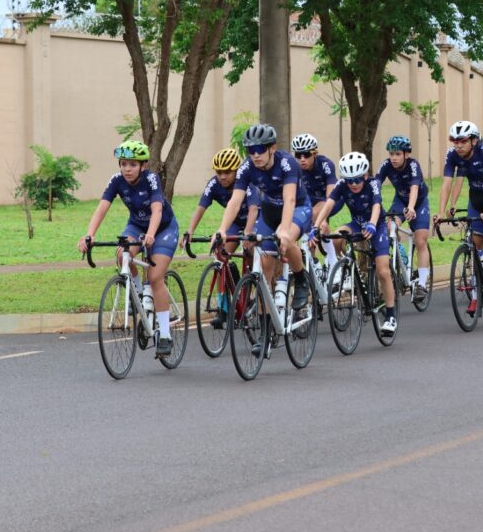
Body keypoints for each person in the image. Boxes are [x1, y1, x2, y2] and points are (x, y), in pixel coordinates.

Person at [77, 140, 179, 357]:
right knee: (121, 254)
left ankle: (165, 335)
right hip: (136, 225)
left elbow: (157, 210)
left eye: (132, 164)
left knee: (155, 275)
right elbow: (101, 208)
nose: (127, 169)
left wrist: (151, 234)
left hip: (162, 228)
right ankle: (140, 297)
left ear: (142, 165)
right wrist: (89, 235)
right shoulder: (116, 181)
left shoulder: (151, 179)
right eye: (123, 164)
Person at [216, 123, 312, 312]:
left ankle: (301, 279)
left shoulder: (287, 163)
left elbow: (290, 199)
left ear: (272, 148)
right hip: (269, 212)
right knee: (263, 272)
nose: (255, 155)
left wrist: (284, 229)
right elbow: (235, 201)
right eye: (251, 150)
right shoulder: (247, 167)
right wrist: (222, 229)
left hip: (297, 208)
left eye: (260, 149)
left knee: (287, 237)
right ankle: (266, 326)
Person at [310, 152, 397, 336]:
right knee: (335, 237)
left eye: (357, 180)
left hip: (377, 225)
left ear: (365, 175)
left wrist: (373, 224)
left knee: (383, 270)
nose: (354, 184)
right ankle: (345, 268)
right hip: (356, 224)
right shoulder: (342, 185)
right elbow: (328, 205)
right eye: (350, 181)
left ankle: (390, 315)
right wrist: (316, 226)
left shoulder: (373, 184)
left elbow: (376, 206)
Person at [433, 120, 483, 315]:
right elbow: (446, 184)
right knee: (475, 245)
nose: (458, 145)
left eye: (463, 141)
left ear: (474, 140)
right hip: (475, 198)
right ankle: (477, 296)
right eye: (455, 141)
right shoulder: (452, 155)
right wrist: (441, 213)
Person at [182, 148, 260, 328]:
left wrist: (248, 234)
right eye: (219, 172)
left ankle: (253, 285)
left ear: (236, 170)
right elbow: (201, 207)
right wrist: (190, 231)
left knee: (252, 250)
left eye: (227, 172)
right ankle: (223, 308)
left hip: (255, 218)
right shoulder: (214, 184)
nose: (223, 176)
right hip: (234, 221)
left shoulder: (246, 181)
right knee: (220, 256)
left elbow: (253, 210)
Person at [376, 135, 431, 301]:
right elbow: (375, 185)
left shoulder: (413, 165)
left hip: (419, 202)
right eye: (391, 154)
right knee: (389, 227)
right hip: (400, 200)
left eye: (398, 154)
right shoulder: (386, 165)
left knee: (420, 240)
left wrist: (412, 207)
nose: (393, 158)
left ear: (406, 154)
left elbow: (414, 188)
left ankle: (421, 285)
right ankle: (402, 256)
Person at [292, 132, 343, 273]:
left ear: (315, 153)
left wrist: (324, 218)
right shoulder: (295, 170)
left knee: (316, 216)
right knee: (304, 228)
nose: (302, 159)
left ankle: (333, 262)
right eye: (298, 155)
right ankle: (313, 264)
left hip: (332, 198)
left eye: (306, 154)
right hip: (311, 201)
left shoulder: (325, 164)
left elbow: (331, 195)